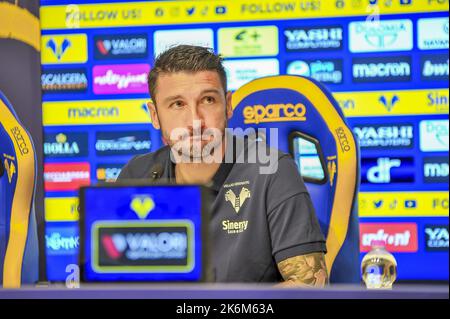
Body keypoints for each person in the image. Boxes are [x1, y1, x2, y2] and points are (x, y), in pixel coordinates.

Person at [117, 45, 328, 286]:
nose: (195, 121)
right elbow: (112, 283)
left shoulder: (273, 171)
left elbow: (310, 283)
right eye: (177, 104)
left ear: (228, 105)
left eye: (207, 100)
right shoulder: (136, 175)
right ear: (154, 115)